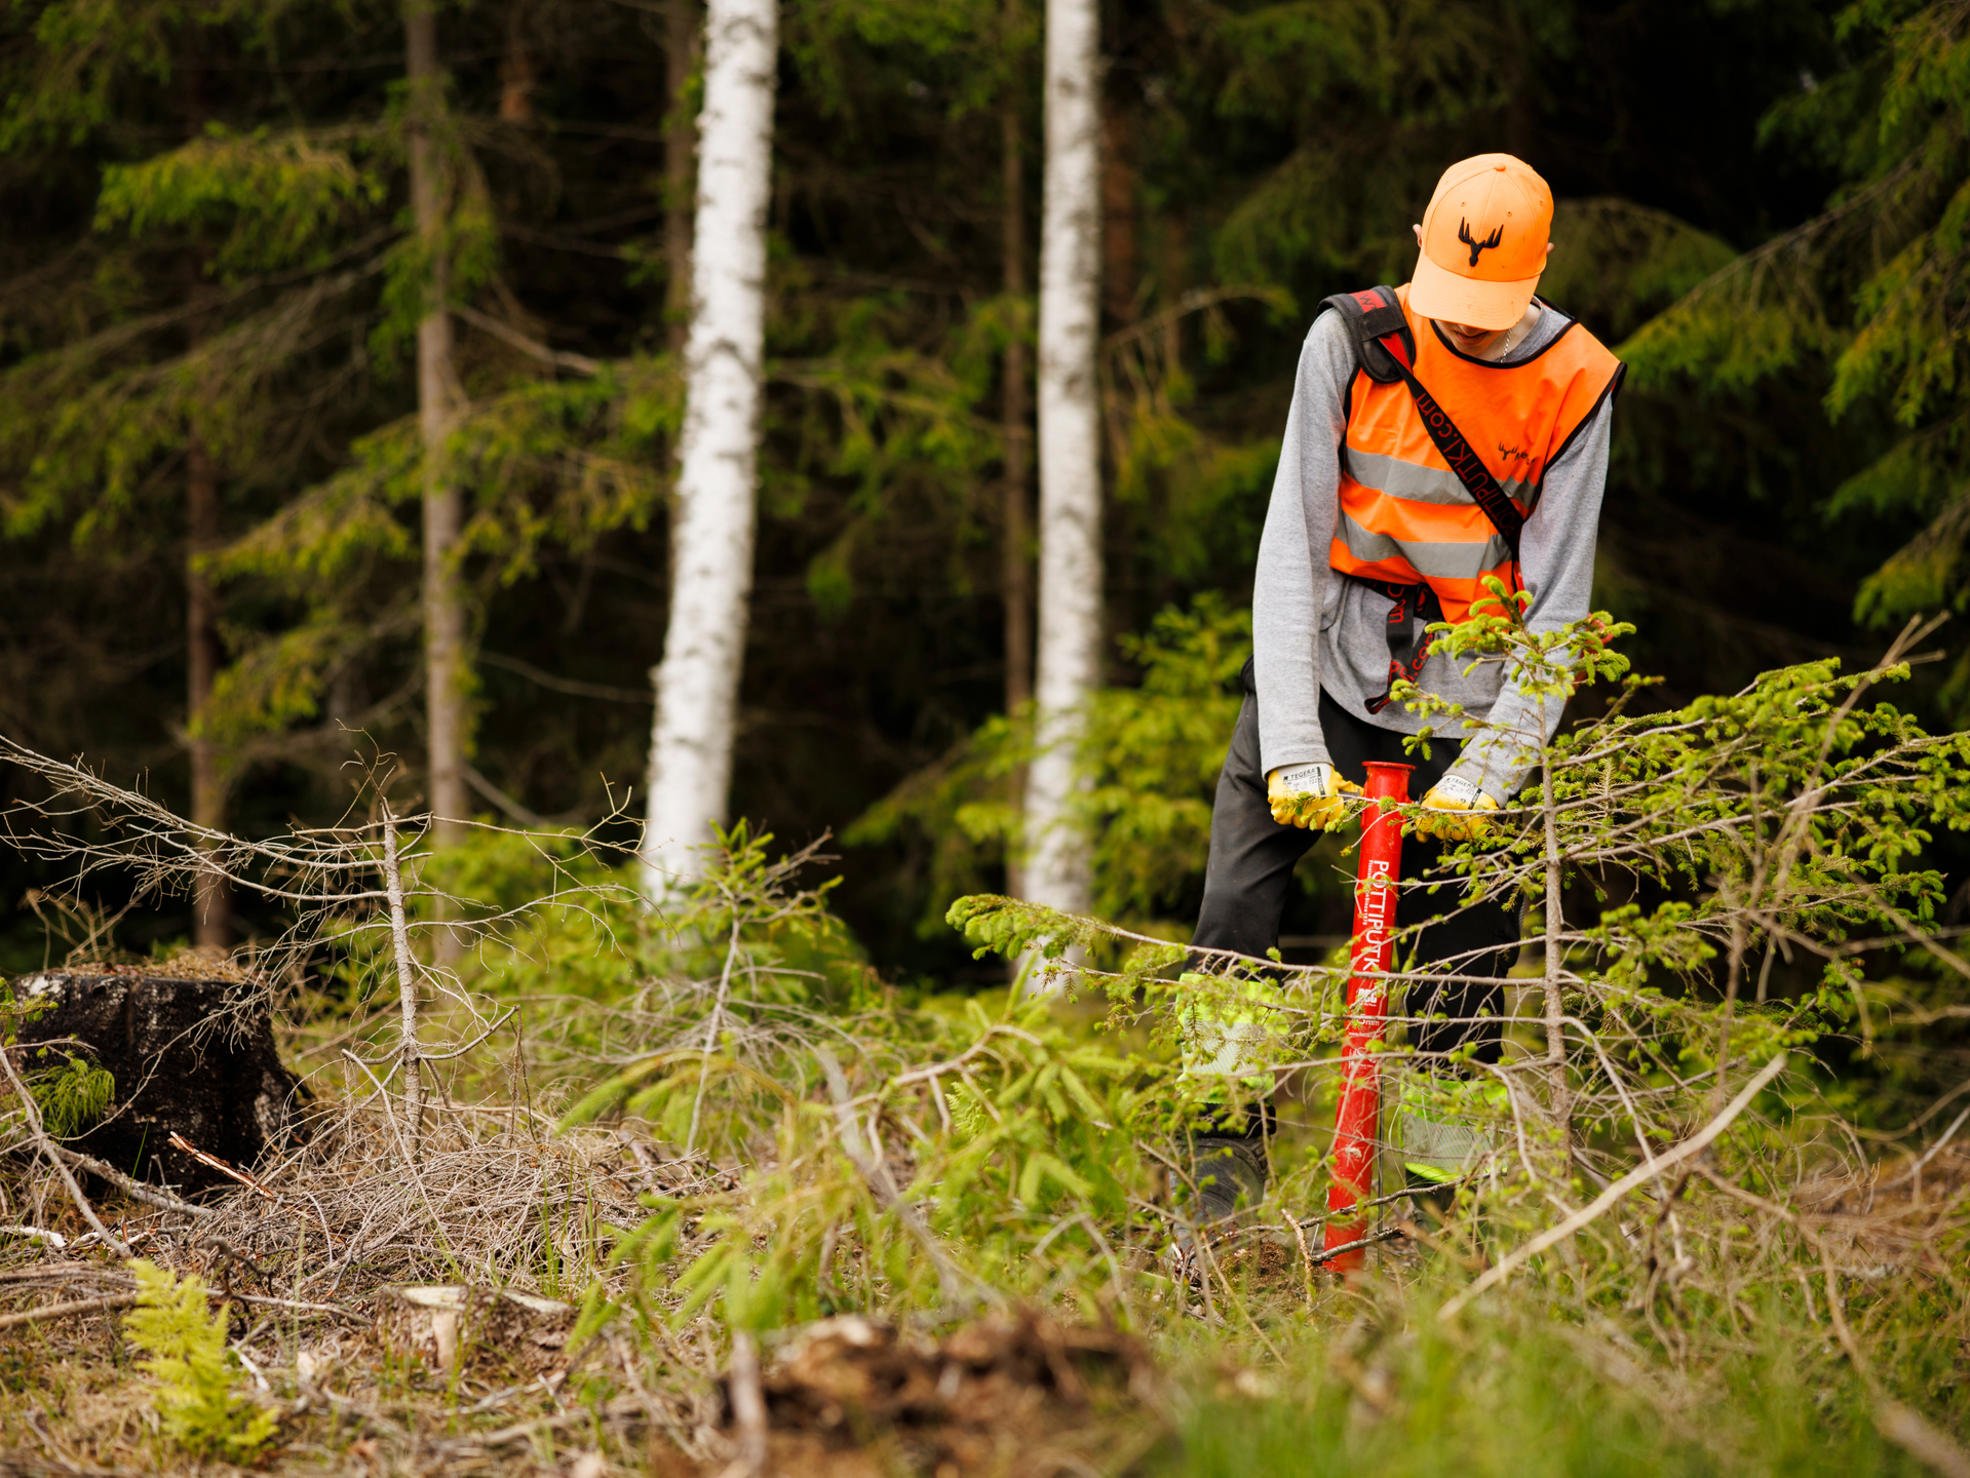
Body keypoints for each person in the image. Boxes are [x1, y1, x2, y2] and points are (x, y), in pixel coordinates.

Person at [1178, 154, 1624, 1225]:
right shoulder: (1350, 339)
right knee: (1233, 921)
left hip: (1465, 704)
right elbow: (1291, 542)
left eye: (1491, 308)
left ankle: (1431, 1221)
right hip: (1326, 668)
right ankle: (1212, 1201)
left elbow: (1556, 616)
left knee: (1460, 986)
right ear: (1419, 241)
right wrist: (1288, 739)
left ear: (1540, 268)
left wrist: (1486, 774)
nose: (1469, 328)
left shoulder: (1574, 378)